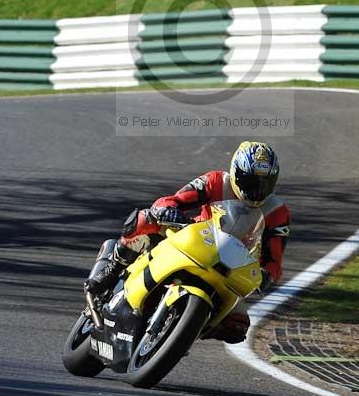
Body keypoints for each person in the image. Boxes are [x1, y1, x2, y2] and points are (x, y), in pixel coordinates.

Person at [84, 141, 290, 344]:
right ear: (236, 172)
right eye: (250, 181)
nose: (257, 190)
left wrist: (266, 276)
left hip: (232, 266)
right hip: (197, 239)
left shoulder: (277, 212)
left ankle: (184, 331)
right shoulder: (216, 181)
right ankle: (112, 268)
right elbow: (173, 200)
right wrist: (168, 210)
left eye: (265, 184)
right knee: (145, 219)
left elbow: (275, 259)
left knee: (238, 327)